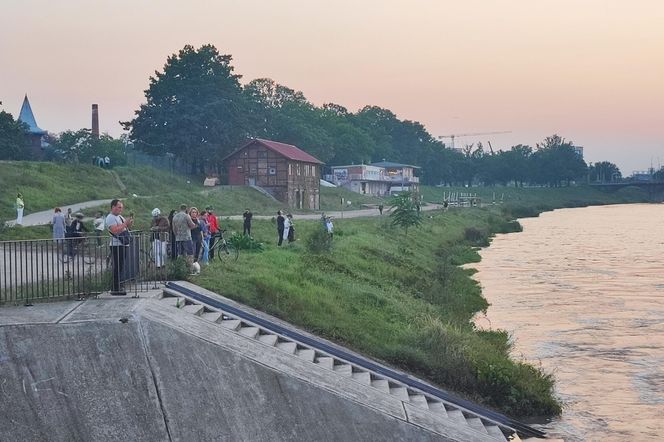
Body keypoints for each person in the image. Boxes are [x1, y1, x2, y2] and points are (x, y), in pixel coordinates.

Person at [106, 199, 134, 296]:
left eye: (121, 207)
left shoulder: (119, 217)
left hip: (122, 245)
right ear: (113, 207)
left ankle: (119, 285)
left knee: (121, 266)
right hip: (116, 245)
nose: (121, 209)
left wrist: (129, 223)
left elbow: (125, 228)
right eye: (119, 207)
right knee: (117, 266)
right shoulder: (110, 218)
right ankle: (115, 287)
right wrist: (125, 223)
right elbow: (115, 230)